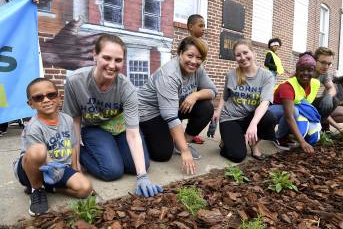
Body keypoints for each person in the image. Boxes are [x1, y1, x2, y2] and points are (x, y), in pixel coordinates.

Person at [62, 34, 162, 197]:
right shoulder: (76, 82)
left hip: (120, 128)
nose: (112, 65)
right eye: (106, 58)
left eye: (118, 60)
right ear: (95, 54)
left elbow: (133, 133)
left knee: (139, 165)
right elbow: (74, 122)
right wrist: (75, 162)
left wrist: (142, 176)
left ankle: (112, 150)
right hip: (94, 128)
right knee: (112, 171)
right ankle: (88, 152)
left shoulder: (126, 88)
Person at [13, 78, 93, 216]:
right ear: (30, 104)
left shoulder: (67, 119)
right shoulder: (34, 127)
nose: (46, 100)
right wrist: (56, 173)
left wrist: (74, 169)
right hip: (32, 169)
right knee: (39, 150)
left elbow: (72, 145)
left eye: (51, 95)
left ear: (59, 96)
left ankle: (51, 189)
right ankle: (36, 189)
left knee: (85, 189)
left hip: (58, 168)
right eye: (38, 97)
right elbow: (41, 157)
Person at [138, 36, 217, 174]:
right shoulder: (169, 75)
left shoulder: (198, 69)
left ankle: (180, 143)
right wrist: (185, 152)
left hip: (171, 107)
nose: (194, 61)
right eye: (190, 55)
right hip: (149, 112)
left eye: (199, 58)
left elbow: (213, 92)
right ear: (180, 53)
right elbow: (170, 117)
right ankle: (142, 135)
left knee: (206, 107)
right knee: (162, 154)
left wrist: (195, 95)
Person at [212, 39, 276, 163]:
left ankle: (254, 145)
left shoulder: (266, 76)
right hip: (231, 118)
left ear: (254, 53)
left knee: (270, 118)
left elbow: (265, 102)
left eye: (245, 53)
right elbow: (225, 96)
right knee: (237, 156)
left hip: (250, 117)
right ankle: (226, 141)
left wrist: (253, 124)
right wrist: (218, 112)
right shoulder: (231, 75)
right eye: (238, 55)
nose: (242, 57)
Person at [0, 0, 39, 136]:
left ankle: (2, 122)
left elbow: (20, 1)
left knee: (2, 80)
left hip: (5, 38)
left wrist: (31, 0)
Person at [269, 53, 321, 153]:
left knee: (298, 111)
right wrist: (302, 142)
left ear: (314, 72)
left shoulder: (312, 84)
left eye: (309, 70)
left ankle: (286, 135)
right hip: (270, 110)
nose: (306, 73)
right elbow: (289, 116)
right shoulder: (288, 86)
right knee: (295, 112)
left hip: (288, 109)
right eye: (302, 70)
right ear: (296, 71)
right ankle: (278, 137)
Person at [187, 14, 207, 145]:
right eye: (200, 25)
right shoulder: (186, 43)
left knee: (199, 107)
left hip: (198, 80)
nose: (203, 28)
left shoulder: (203, 44)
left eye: (204, 26)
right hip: (187, 82)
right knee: (185, 107)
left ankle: (192, 133)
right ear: (190, 27)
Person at [311, 47, 338, 130]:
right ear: (315, 60)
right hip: (297, 103)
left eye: (329, 64)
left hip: (309, 102)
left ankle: (317, 127)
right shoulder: (306, 69)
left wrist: (329, 96)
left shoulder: (323, 73)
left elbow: (332, 88)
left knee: (333, 101)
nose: (326, 67)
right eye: (323, 62)